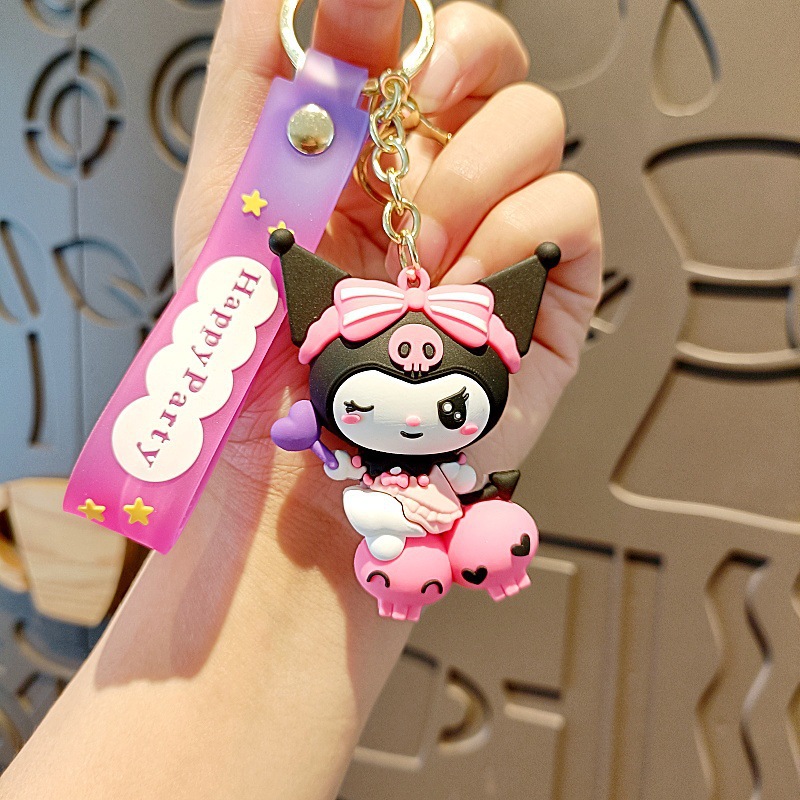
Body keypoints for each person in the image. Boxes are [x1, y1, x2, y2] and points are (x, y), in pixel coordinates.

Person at [0, 0, 601, 796]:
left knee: (471, 526)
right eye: (376, 406)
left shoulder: (429, 443)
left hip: (406, 517)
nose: (414, 417)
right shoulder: (341, 418)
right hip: (378, 514)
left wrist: (319, 543)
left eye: (449, 411)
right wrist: (282, 469)